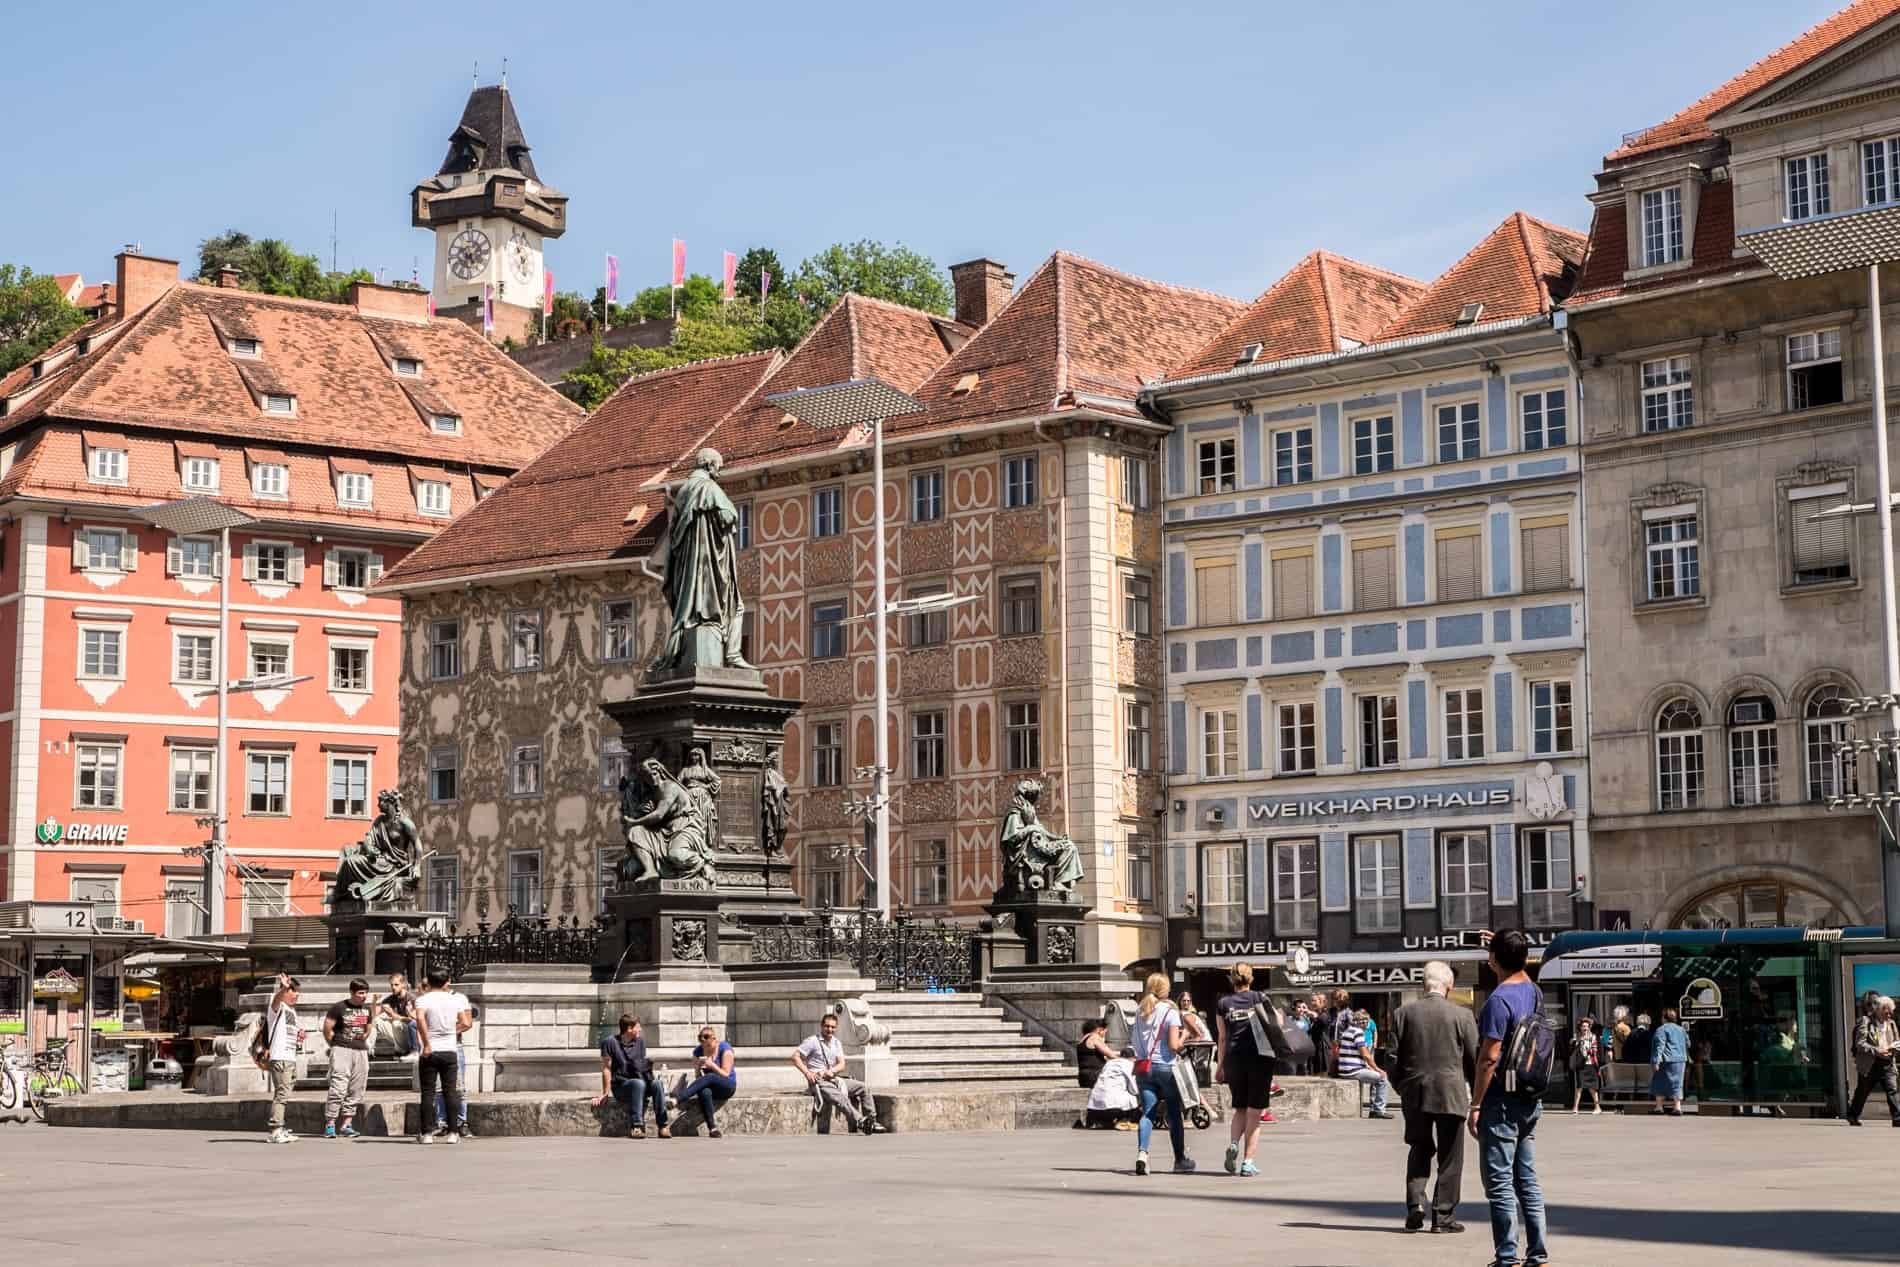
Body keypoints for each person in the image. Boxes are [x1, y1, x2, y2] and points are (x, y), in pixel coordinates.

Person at [1469, 929, 1549, 1267]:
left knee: (1499, 1182)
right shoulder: (1534, 991)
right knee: (1526, 1179)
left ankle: (1507, 1257)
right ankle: (1538, 1255)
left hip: (1500, 1100)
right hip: (1530, 1096)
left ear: (1493, 960)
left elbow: (1489, 1057)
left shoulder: (1498, 1001)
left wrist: (1475, 1105)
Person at [1391, 960, 1479, 1234]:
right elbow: (1474, 1060)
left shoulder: (1402, 1014)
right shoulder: (1462, 1016)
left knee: (1419, 1146)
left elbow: (1392, 1059)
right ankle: (1443, 1216)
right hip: (1451, 1094)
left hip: (1415, 1093)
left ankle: (1415, 1204)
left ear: (1424, 985)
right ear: (1449, 987)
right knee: (1451, 1155)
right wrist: (1478, 1097)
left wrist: (1403, 1087)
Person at [1214, 963, 1276, 1177]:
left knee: (1240, 1108)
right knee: (1255, 1113)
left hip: (1234, 1060)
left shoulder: (1223, 1003)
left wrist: (1220, 1066)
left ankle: (1233, 1143)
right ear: (1251, 978)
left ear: (1232, 979)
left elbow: (1222, 1038)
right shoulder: (1259, 998)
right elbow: (1275, 1024)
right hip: (1259, 1058)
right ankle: (1248, 1163)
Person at [1130, 972, 1193, 1176]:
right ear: (1165, 989)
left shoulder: (1140, 1010)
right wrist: (1185, 1035)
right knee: (1174, 1113)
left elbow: (1134, 1041)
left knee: (1148, 1112)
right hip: (1165, 1067)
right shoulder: (1170, 1012)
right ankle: (1179, 1159)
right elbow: (1174, 1046)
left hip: (1144, 1068)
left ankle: (1142, 1154)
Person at [792, 1012, 883, 1134]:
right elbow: (795, 1057)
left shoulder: (836, 1043)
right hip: (819, 1081)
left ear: (836, 1028)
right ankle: (861, 1121)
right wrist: (808, 1073)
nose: (830, 1029)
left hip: (834, 1079)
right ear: (821, 1026)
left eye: (832, 1027)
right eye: (827, 1026)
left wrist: (831, 1071)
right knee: (839, 1097)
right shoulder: (812, 1041)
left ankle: (871, 1120)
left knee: (863, 1087)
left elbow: (841, 1064)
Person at [413, 970, 470, 1145]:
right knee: (450, 1091)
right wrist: (452, 1031)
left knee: (428, 1093)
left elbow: (420, 1020)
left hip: (430, 1050)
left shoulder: (423, 999)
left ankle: (427, 1133)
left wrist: (426, 1042)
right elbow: (466, 1022)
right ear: (448, 982)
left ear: (428, 982)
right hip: (450, 1049)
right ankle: (453, 1132)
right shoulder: (455, 999)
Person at [594, 1013, 670, 1139]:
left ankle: (663, 1126)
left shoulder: (640, 1042)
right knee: (638, 1084)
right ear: (629, 1029)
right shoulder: (609, 1043)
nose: (640, 1030)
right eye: (638, 1027)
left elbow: (640, 1065)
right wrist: (605, 1092)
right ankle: (637, 1126)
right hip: (622, 1086)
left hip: (640, 1083)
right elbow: (606, 1069)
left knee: (657, 1083)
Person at [322, 978, 374, 1140]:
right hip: (341, 1049)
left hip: (360, 1050)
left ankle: (347, 1124)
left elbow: (369, 1025)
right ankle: (330, 1124)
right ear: (352, 992)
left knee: (357, 1088)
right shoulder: (339, 1008)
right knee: (338, 1087)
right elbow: (327, 1028)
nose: (363, 996)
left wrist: (365, 1035)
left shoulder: (367, 1010)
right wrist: (334, 1046)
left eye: (365, 993)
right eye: (360, 993)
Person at [1846, 995, 1900, 1126]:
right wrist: (1877, 1051)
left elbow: (1897, 1041)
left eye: (1890, 1010)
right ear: (1878, 1010)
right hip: (1871, 1063)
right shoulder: (1866, 1021)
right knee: (1863, 1091)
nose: (1889, 1014)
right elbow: (1860, 1043)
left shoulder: (1891, 1024)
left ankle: (1897, 1118)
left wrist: (1893, 1049)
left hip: (1887, 1062)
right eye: (1886, 1011)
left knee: (1891, 1089)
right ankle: (1853, 1115)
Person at [674, 1026, 737, 1137]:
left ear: (714, 1038)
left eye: (707, 1041)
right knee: (704, 1091)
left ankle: (678, 1099)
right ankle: (712, 1128)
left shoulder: (725, 1048)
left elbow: (726, 1074)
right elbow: (699, 1079)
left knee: (711, 1076)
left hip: (727, 1086)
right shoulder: (698, 1052)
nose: (705, 1045)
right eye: (702, 1041)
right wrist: (698, 1067)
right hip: (712, 1087)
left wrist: (712, 1065)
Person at [1335, 996, 1392, 1118]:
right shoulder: (1358, 1033)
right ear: (1356, 1021)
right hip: (1353, 1071)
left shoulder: (1348, 1031)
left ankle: (1374, 1108)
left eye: (1366, 1020)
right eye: (1362, 1021)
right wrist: (1378, 1069)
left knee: (1375, 1078)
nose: (1365, 1023)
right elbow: (1366, 1055)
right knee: (1382, 1078)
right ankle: (1378, 1110)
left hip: (1345, 1069)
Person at [432, 986, 477, 1138]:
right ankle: (442, 1123)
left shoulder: (459, 998)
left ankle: (461, 1122)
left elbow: (467, 1022)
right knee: (438, 1088)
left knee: (459, 1087)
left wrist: (447, 1031)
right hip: (435, 1046)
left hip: (454, 1046)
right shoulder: (430, 998)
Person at [263, 974, 302, 1144]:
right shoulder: (277, 1008)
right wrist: (283, 988)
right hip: (280, 1057)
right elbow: (276, 999)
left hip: (290, 1057)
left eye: (297, 991)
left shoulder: (292, 1011)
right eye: (292, 991)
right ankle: (275, 1130)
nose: (296, 994)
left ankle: (279, 1128)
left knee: (284, 1093)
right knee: (281, 1094)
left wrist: (300, 1036)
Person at [1650, 1007, 1689, 1116]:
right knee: (1677, 1084)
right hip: (1681, 1060)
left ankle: (1659, 1107)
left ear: (1664, 1018)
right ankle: (1677, 1107)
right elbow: (1688, 1043)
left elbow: (1660, 1046)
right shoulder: (1681, 1029)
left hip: (1666, 1060)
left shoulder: (1661, 1029)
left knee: (1659, 1082)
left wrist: (1656, 1061)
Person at [1568, 1017, 1602, 1115]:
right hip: (1581, 1064)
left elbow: (1595, 1050)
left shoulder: (1593, 1037)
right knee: (1579, 1087)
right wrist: (1574, 1043)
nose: (1585, 1028)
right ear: (1580, 1027)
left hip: (1590, 1064)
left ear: (1590, 1027)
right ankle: (1575, 1108)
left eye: (1587, 1026)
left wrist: (1589, 1049)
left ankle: (1597, 1107)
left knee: (1592, 1088)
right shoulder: (1577, 1037)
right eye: (1583, 1026)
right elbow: (1573, 1049)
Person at [380, 973, 417, 1055]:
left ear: (403, 984)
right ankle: (369, 1051)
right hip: (399, 1034)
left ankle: (401, 1051)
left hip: (411, 1035)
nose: (393, 987)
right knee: (377, 1020)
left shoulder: (412, 998)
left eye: (396, 985)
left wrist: (393, 1015)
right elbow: (374, 1016)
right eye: (391, 985)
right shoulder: (389, 999)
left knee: (396, 1023)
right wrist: (374, 1001)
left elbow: (414, 1022)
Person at [1076, 1017, 1115, 1090]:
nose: (1105, 1033)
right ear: (1099, 1030)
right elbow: (1111, 1055)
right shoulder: (1095, 1038)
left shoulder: (1083, 1039)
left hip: (1083, 1077)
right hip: (1095, 1075)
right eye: (1105, 1030)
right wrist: (1127, 1060)